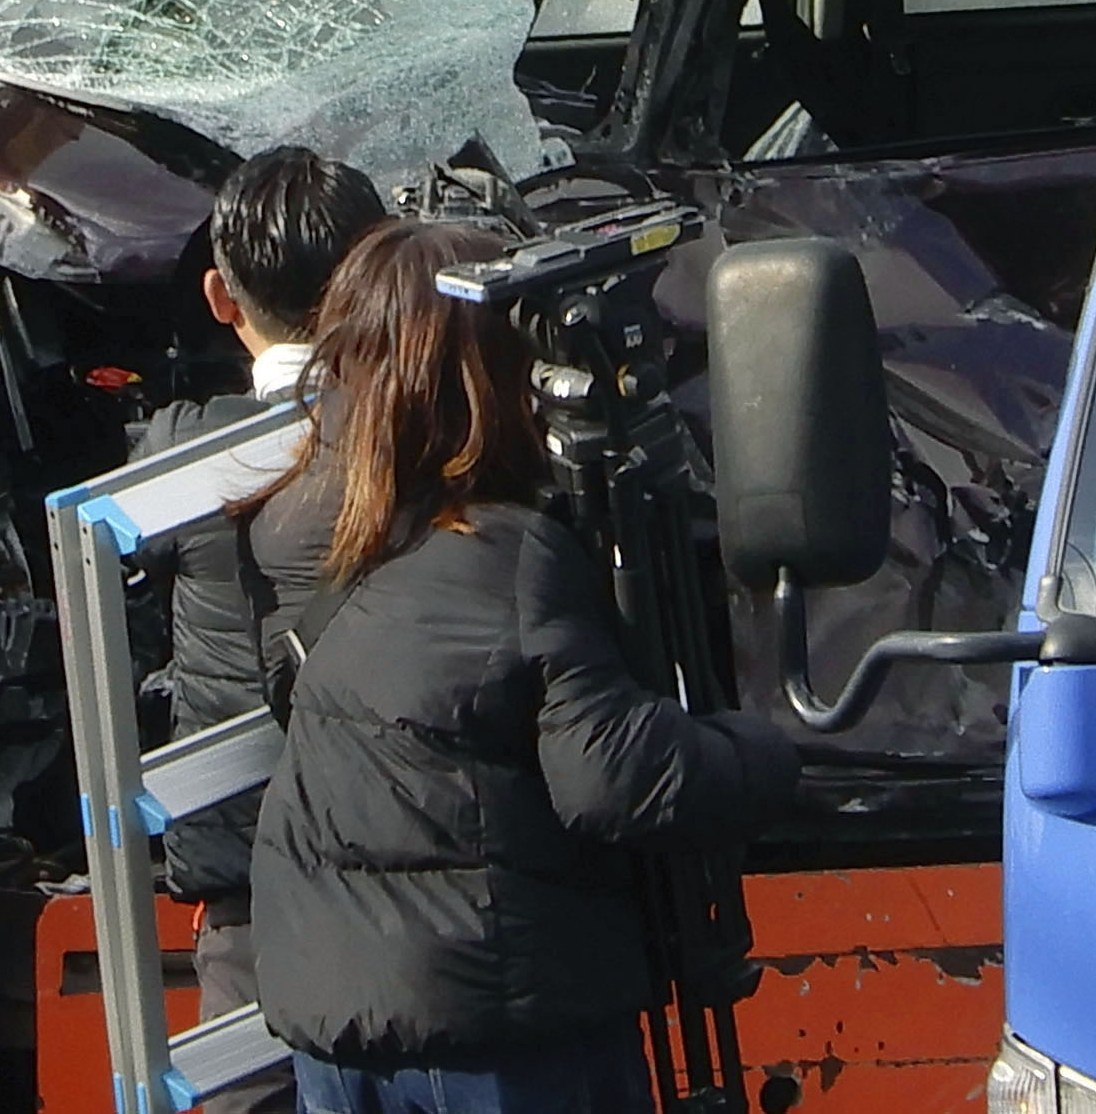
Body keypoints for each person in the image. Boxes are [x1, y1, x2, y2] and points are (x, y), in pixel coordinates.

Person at [249, 219, 801, 1114]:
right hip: (484, 1021)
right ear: (495, 375)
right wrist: (762, 754)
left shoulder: (312, 532)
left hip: (334, 1008)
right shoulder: (508, 554)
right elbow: (612, 774)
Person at [140, 147, 387, 1114]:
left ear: (217, 295)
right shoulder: (442, 435)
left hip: (248, 885)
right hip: (419, 878)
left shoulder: (174, 453)